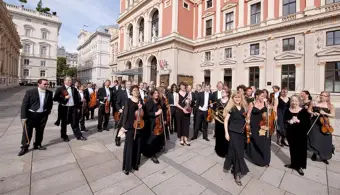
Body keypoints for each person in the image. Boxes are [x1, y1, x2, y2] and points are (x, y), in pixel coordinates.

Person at [18, 79, 53, 156]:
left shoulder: (49, 93)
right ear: (39, 84)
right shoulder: (30, 92)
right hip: (31, 115)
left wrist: (48, 112)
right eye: (45, 84)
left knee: (40, 130)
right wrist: (23, 116)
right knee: (27, 131)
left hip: (43, 115)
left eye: (47, 84)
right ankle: (25, 146)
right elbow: (24, 104)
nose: (47, 85)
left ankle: (37, 144)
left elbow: (50, 103)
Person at [223, 92, 249, 186]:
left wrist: (247, 120)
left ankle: (233, 167)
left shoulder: (243, 108)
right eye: (235, 97)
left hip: (241, 134)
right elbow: (225, 121)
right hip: (233, 133)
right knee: (238, 153)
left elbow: (245, 120)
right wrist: (226, 133)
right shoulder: (231, 108)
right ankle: (237, 174)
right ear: (233, 98)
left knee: (237, 152)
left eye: (239, 97)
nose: (237, 99)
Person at [53, 77, 87, 142]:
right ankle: (64, 136)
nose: (70, 81)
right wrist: (64, 98)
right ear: (64, 81)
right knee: (64, 123)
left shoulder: (74, 89)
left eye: (71, 80)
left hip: (73, 108)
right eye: (68, 80)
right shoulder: (60, 89)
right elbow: (55, 98)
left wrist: (79, 105)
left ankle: (78, 135)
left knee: (75, 122)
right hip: (64, 108)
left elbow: (76, 99)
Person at [120, 85, 143, 175]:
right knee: (129, 146)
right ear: (131, 92)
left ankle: (135, 164)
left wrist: (141, 107)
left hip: (139, 125)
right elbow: (125, 114)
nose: (136, 91)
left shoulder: (140, 101)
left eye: (137, 90)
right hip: (130, 126)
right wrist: (123, 126)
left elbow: (142, 114)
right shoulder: (128, 101)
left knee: (137, 145)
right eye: (134, 90)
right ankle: (127, 167)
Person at [284, 95, 310, 176]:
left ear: (299, 102)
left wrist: (299, 121)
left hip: (301, 134)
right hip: (291, 133)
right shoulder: (287, 110)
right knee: (292, 149)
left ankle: (300, 166)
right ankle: (293, 164)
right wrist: (289, 121)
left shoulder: (303, 111)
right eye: (292, 101)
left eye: (295, 101)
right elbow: (284, 120)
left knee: (301, 150)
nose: (294, 102)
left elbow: (307, 123)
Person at [308, 91, 335, 164]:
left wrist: (325, 113)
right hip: (314, 123)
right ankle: (314, 154)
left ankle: (324, 156)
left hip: (325, 124)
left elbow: (333, 115)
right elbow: (309, 110)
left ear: (327, 97)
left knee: (325, 141)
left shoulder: (330, 105)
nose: (322, 96)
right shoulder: (314, 103)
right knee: (315, 139)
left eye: (324, 95)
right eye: (321, 95)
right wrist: (313, 113)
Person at [246, 90, 271, 167]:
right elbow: (248, 114)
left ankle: (265, 160)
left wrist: (269, 108)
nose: (263, 97)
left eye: (264, 96)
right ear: (257, 96)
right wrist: (247, 123)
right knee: (256, 141)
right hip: (254, 125)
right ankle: (257, 159)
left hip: (263, 125)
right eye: (262, 96)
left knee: (264, 143)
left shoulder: (265, 103)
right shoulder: (252, 103)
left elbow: (269, 113)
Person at [143, 89, 167, 164]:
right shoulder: (149, 103)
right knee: (152, 139)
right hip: (151, 124)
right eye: (155, 93)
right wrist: (155, 113)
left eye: (157, 93)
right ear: (152, 94)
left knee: (157, 138)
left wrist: (165, 119)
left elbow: (164, 111)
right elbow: (146, 113)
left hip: (158, 123)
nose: (156, 94)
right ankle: (152, 155)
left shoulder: (159, 102)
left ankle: (156, 150)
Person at [115, 80, 131, 146]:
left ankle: (128, 139)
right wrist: (120, 109)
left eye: (130, 84)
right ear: (125, 85)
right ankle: (117, 139)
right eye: (128, 84)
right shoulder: (121, 92)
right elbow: (117, 103)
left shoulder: (133, 92)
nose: (129, 85)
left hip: (131, 112)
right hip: (124, 112)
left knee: (129, 126)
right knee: (121, 126)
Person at [214, 87, 230, 157]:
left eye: (223, 92)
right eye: (221, 92)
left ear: (227, 93)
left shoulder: (230, 101)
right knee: (219, 135)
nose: (222, 93)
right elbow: (215, 110)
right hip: (219, 122)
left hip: (227, 122)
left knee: (226, 136)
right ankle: (219, 150)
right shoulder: (218, 100)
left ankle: (226, 151)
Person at [176, 82, 191, 146]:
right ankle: (181, 139)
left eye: (184, 86)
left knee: (186, 125)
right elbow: (176, 104)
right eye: (182, 86)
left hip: (186, 111)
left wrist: (189, 100)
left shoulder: (187, 94)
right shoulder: (177, 94)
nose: (183, 87)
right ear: (180, 86)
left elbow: (189, 102)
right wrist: (183, 109)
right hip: (180, 111)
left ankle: (186, 138)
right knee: (180, 125)